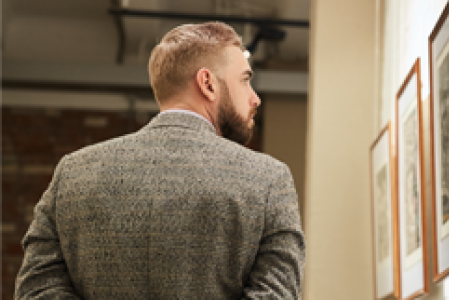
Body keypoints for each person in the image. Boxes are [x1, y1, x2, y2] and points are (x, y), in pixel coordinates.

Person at [14, 22, 305, 299]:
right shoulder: (268, 179)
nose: (255, 98)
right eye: (244, 80)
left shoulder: (74, 173)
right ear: (208, 84)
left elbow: (36, 291)